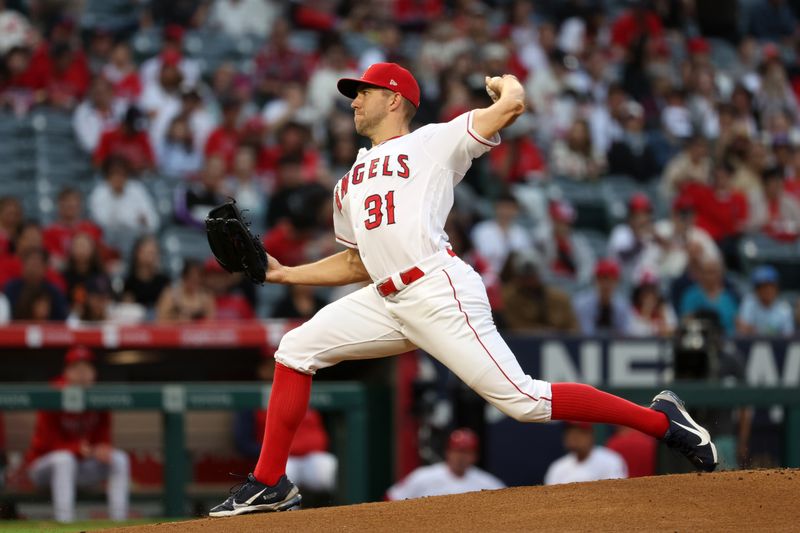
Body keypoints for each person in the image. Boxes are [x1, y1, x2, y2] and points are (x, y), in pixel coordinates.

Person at [209, 63, 717, 517]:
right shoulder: (349, 181)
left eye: (363, 91)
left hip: (436, 288)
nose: (354, 100)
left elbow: (513, 104)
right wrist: (283, 273)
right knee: (296, 349)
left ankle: (662, 422)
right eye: (352, 93)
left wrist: (505, 83)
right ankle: (269, 483)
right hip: (386, 298)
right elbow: (358, 261)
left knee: (524, 402)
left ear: (394, 100)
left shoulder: (434, 141)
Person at [25, 346, 129, 523]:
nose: (83, 374)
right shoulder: (54, 394)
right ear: (67, 372)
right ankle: (65, 522)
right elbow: (45, 444)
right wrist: (77, 449)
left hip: (80, 464)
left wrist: (103, 447)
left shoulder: (98, 396)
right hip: (43, 467)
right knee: (64, 459)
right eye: (77, 369)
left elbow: (103, 433)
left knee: (119, 459)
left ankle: (119, 522)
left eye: (87, 368)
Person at [234, 351, 337, 494]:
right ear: (261, 369)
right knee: (281, 478)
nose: (276, 369)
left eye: (278, 364)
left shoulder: (305, 388)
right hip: (282, 459)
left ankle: (343, 513)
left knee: (329, 468)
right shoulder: (254, 397)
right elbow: (242, 442)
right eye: (271, 365)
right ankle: (285, 514)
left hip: (312, 457)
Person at [386, 428, 504, 500]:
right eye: (457, 451)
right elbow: (391, 498)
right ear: (448, 452)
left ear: (474, 457)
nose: (460, 457)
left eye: (466, 452)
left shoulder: (489, 484)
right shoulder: (423, 476)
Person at [499, 251, 578, 333]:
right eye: (525, 276)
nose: (529, 280)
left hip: (561, 343)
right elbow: (516, 328)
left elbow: (573, 329)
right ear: (517, 276)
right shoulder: (508, 298)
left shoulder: (560, 299)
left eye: (532, 275)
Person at [544, 422, 627, 485]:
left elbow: (616, 492)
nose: (573, 437)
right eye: (569, 432)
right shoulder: (558, 467)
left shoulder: (610, 460)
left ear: (590, 435)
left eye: (579, 432)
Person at [572, 259, 634, 336]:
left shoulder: (622, 306)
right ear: (595, 280)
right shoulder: (581, 304)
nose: (606, 284)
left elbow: (626, 335)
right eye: (602, 279)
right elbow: (586, 335)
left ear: (617, 282)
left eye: (611, 280)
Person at [736, 265, 794, 336]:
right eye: (763, 287)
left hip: (777, 346)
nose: (767, 291)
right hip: (752, 345)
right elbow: (742, 328)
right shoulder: (749, 302)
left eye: (770, 286)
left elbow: (788, 336)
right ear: (756, 290)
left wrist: (755, 330)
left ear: (776, 288)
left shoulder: (784, 308)